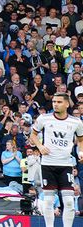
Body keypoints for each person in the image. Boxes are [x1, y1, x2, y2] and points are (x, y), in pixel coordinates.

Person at [29, 92, 83, 227]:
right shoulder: (44, 118)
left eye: (59, 102)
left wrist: (81, 152)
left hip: (66, 164)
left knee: (69, 201)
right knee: (48, 200)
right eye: (54, 102)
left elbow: (81, 140)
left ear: (66, 104)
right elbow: (33, 135)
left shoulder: (76, 122)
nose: (55, 104)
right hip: (48, 164)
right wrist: (40, 146)